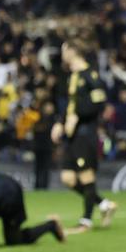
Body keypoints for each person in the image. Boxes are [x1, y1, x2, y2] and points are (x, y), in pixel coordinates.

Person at [52, 37, 116, 231]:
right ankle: (105, 205)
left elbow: (98, 103)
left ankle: (86, 221)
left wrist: (76, 117)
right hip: (72, 134)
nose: (62, 55)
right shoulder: (72, 75)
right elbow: (71, 106)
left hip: (85, 134)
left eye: (64, 50)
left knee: (86, 177)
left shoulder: (90, 74)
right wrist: (60, 123)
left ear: (72, 51)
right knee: (68, 178)